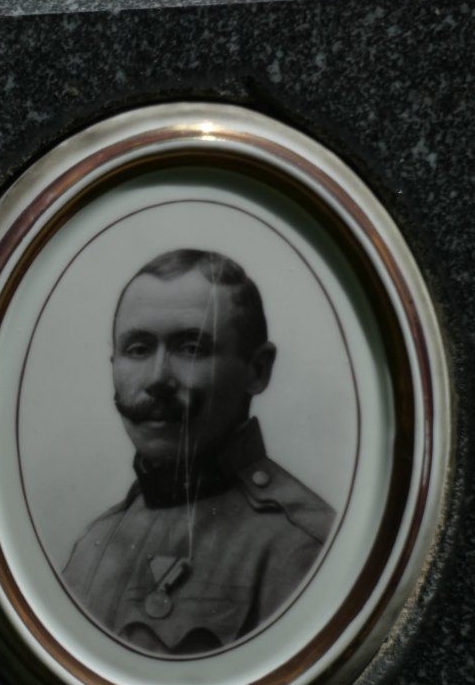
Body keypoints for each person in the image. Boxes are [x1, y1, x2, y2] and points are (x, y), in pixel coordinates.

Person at [62, 249, 335, 656]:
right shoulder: (94, 546)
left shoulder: (305, 546)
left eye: (190, 348)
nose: (158, 379)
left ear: (257, 370)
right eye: (138, 349)